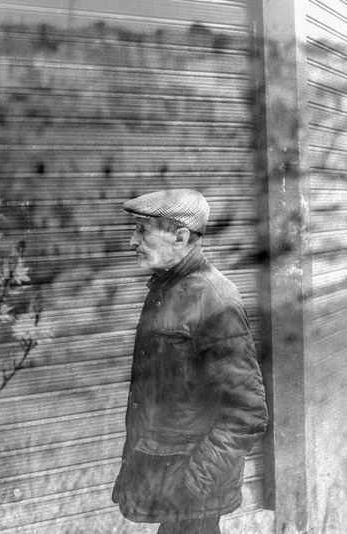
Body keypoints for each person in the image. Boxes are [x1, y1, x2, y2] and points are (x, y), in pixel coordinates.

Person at [112, 189, 268, 534]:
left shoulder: (214, 299)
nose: (132, 241)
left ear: (180, 237)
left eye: (142, 231)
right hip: (175, 492)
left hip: (192, 496)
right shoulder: (166, 290)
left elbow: (247, 413)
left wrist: (191, 487)